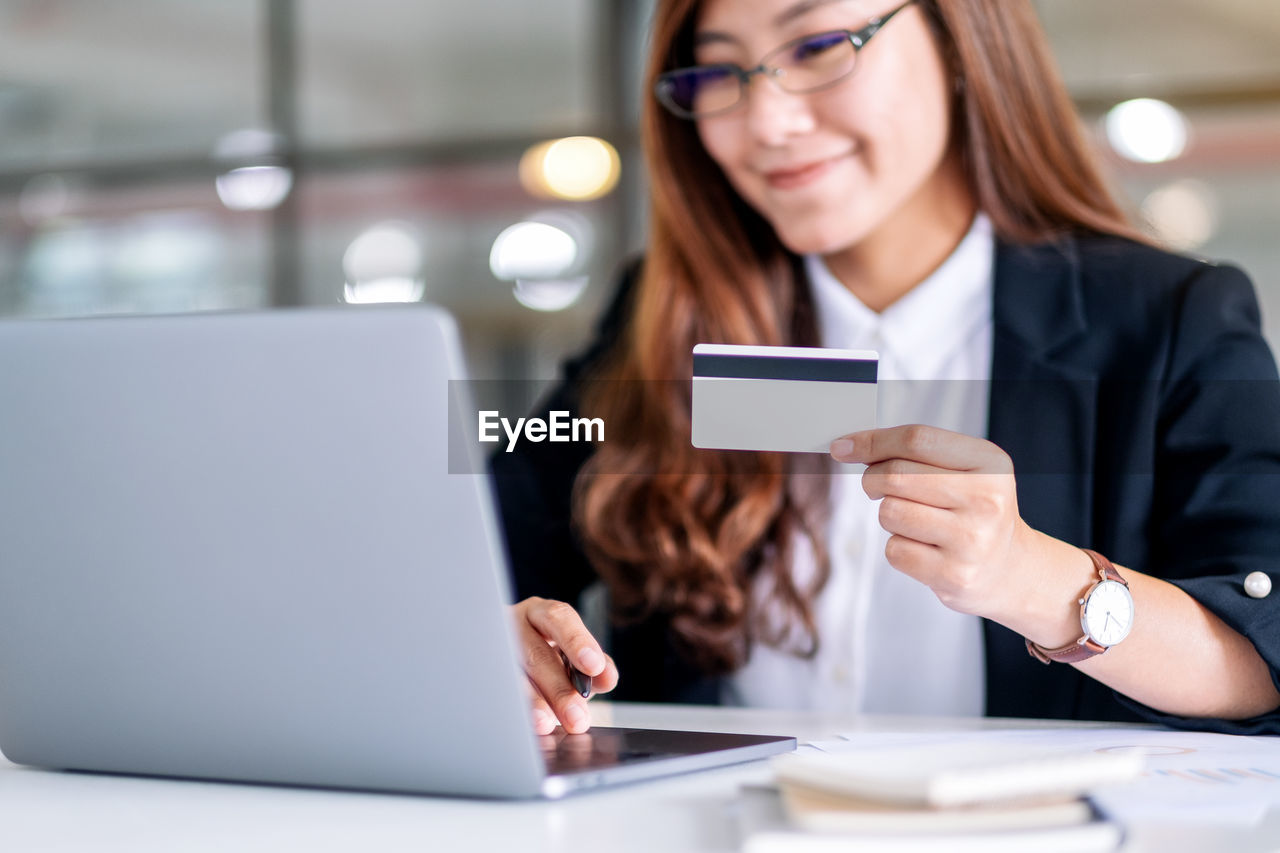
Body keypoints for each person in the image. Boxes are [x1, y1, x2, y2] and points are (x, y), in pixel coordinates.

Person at [491, 0, 1280, 738]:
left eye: (819, 47)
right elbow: (479, 540)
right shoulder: (665, 317)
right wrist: (491, 628)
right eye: (718, 74)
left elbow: (1262, 652)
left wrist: (1031, 579)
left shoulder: (1167, 319)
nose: (765, 121)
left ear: (956, 39)